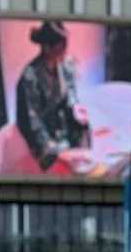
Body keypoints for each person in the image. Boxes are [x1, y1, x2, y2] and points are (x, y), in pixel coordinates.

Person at [15, 21, 92, 172]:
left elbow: (70, 93)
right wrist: (58, 153)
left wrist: (75, 106)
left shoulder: (66, 65)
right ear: (46, 48)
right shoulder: (30, 77)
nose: (63, 54)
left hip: (63, 124)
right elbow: (32, 120)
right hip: (44, 132)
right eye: (59, 50)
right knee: (58, 163)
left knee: (83, 129)